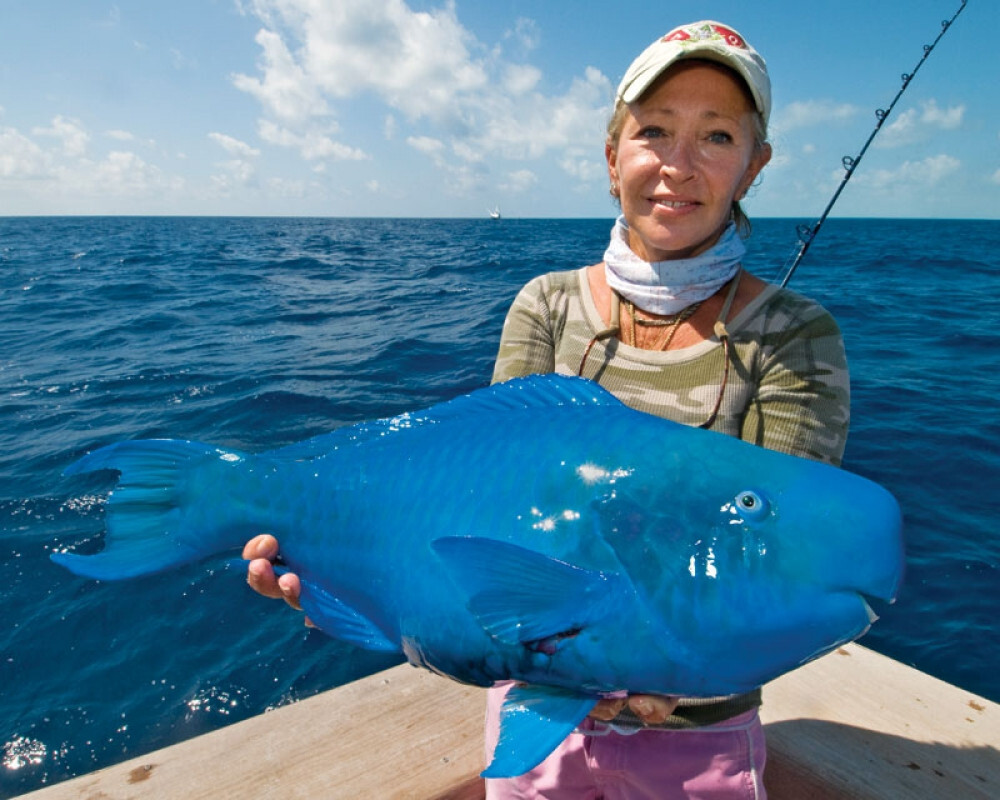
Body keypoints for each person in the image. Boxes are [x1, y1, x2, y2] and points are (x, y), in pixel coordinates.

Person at [244, 19, 849, 799]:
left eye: (717, 136)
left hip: (700, 739)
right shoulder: (546, 306)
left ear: (753, 165)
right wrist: (335, 571)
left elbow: (785, 560)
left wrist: (666, 676)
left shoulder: (796, 335)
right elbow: (475, 500)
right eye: (654, 131)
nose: (677, 164)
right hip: (536, 712)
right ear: (611, 158)